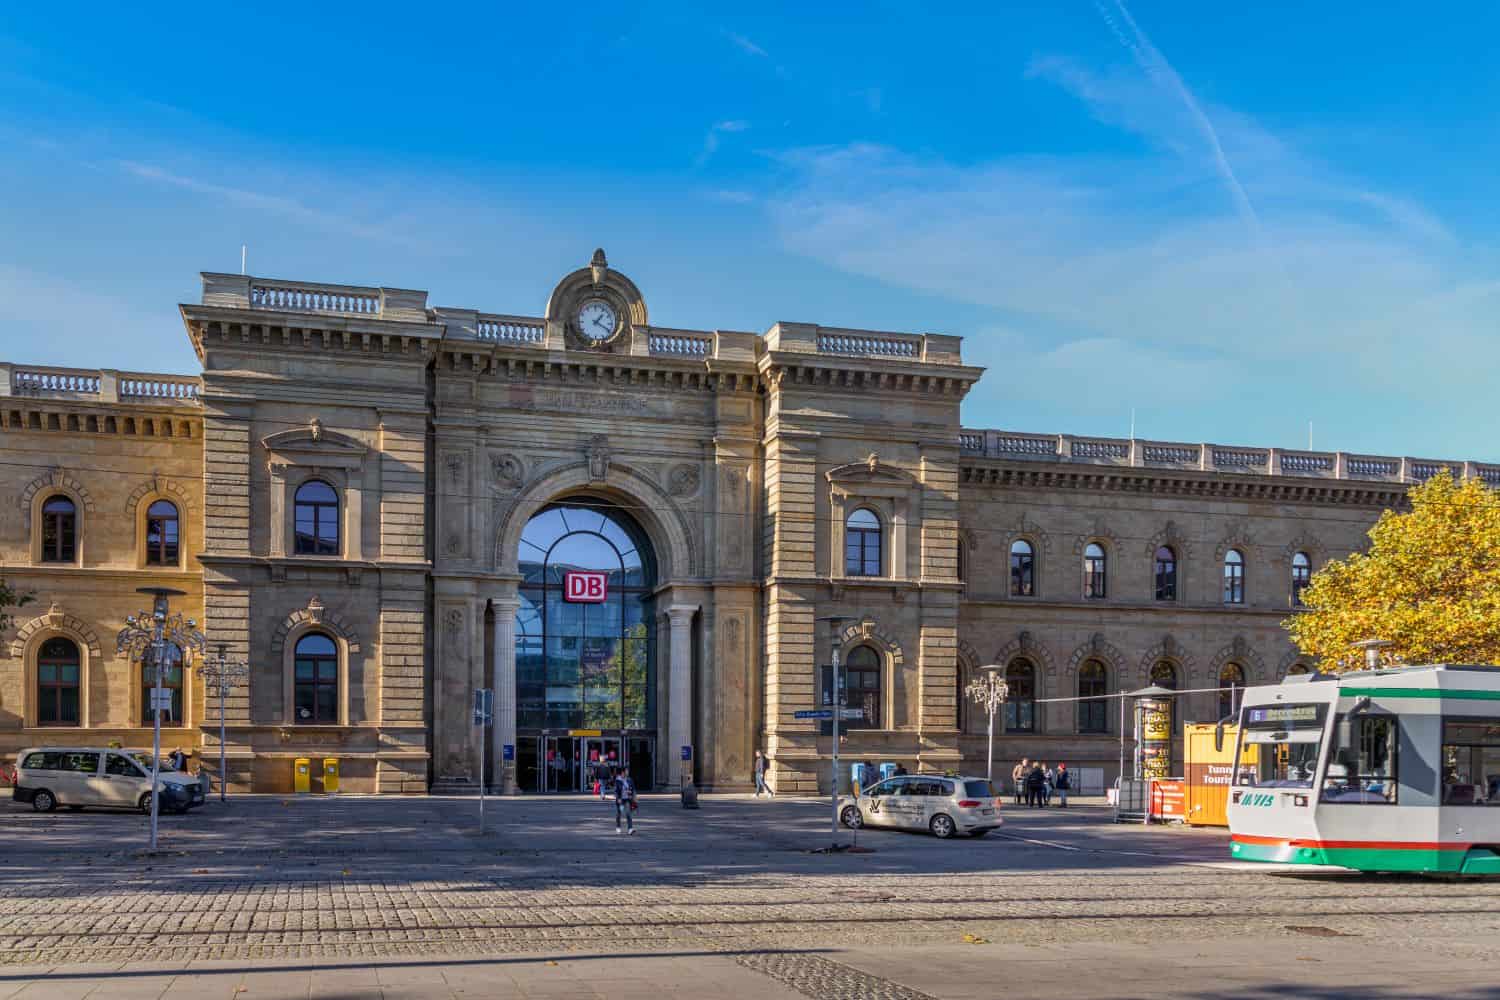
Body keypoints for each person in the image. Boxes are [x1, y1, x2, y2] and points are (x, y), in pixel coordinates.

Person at [613, 767, 636, 835]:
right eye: (626, 771)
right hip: (621, 800)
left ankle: (630, 829)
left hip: (627, 799)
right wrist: (618, 798)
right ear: (622, 772)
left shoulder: (629, 779)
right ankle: (618, 827)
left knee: (628, 813)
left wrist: (633, 796)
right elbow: (616, 790)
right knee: (619, 813)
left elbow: (633, 789)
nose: (627, 772)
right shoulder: (618, 780)